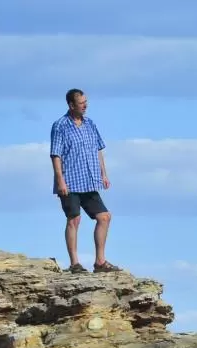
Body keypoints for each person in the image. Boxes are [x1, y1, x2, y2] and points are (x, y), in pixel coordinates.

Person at [49, 88, 120, 274]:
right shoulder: (60, 125)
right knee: (74, 219)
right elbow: (55, 154)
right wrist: (60, 180)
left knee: (104, 217)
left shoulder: (90, 124)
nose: (85, 106)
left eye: (86, 102)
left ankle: (100, 261)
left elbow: (98, 150)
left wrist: (104, 174)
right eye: (81, 103)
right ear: (71, 105)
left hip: (89, 181)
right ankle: (75, 264)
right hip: (70, 181)